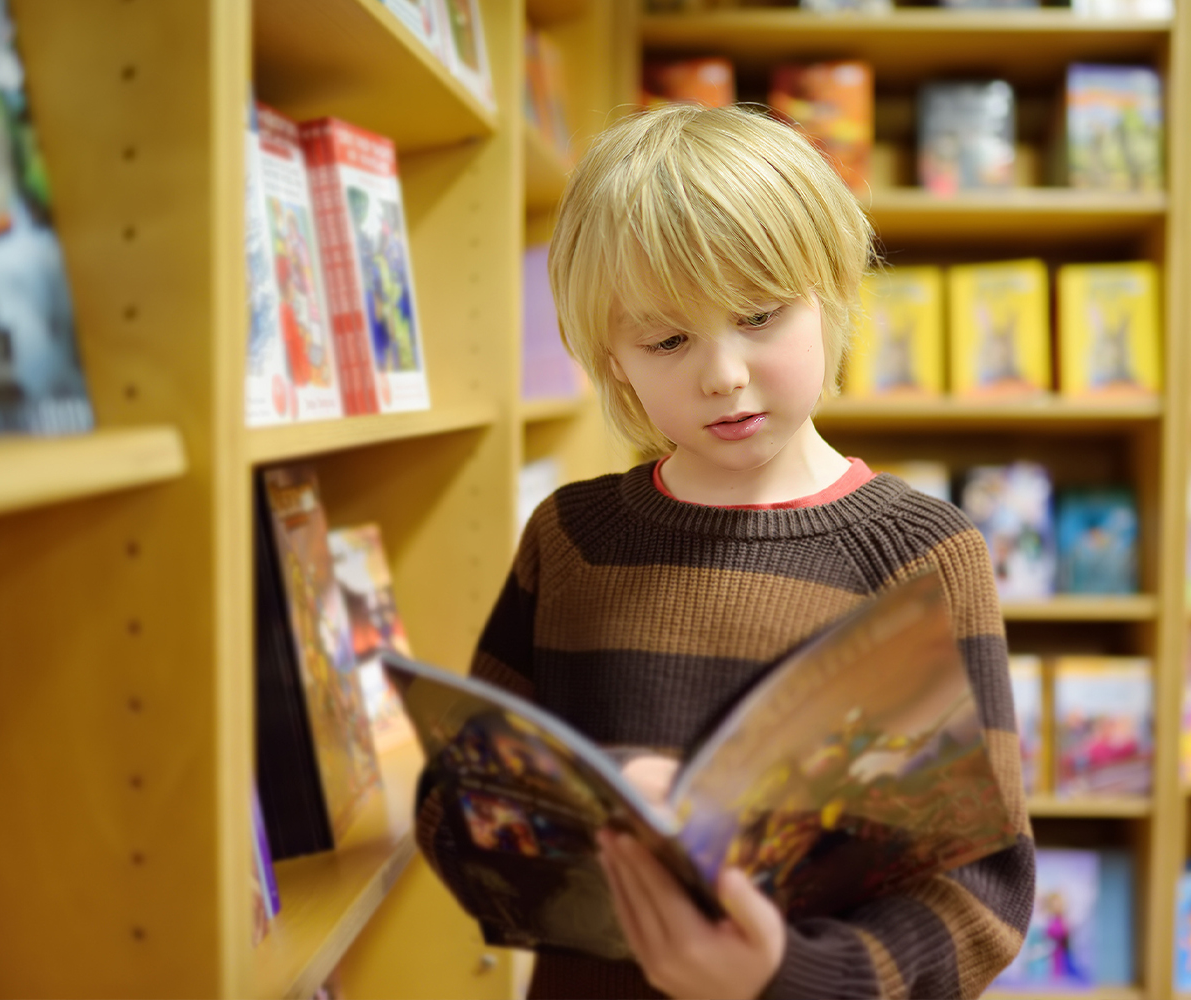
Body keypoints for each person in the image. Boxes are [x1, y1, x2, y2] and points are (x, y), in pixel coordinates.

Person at [414, 103, 1034, 999]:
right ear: (612, 360)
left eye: (759, 316)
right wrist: (611, 798)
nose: (723, 374)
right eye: (667, 339)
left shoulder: (922, 555)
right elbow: (456, 804)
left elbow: (981, 893)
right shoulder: (572, 539)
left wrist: (786, 974)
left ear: (831, 294)